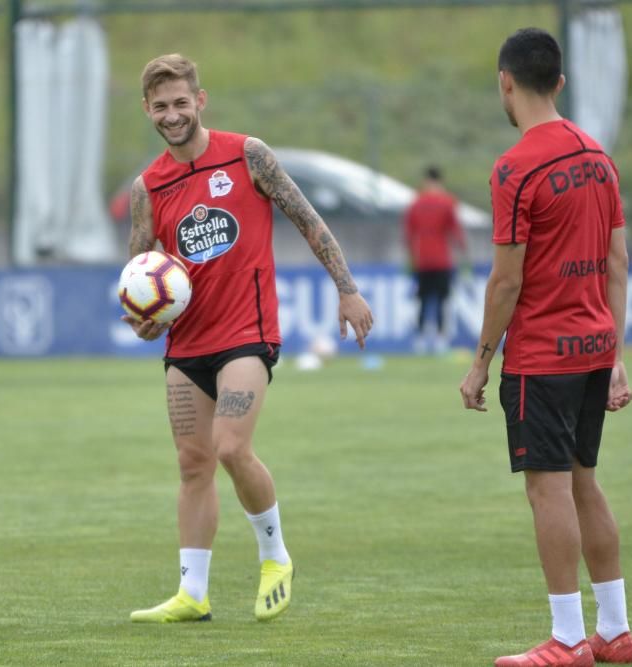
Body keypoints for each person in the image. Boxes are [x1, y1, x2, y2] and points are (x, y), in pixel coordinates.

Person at [124, 54, 373, 623]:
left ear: (200, 100)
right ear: (147, 110)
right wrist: (144, 316)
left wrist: (347, 288)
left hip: (246, 335)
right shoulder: (149, 186)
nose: (172, 115)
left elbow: (309, 219)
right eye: (160, 107)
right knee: (193, 466)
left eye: (181, 103)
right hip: (185, 347)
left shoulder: (246, 154)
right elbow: (140, 269)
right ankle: (192, 593)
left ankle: (275, 556)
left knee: (231, 447)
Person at [459, 28, 632, 666]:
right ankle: (614, 632)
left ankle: (567, 640)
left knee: (549, 490)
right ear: (559, 82)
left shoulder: (515, 168)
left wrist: (481, 361)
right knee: (585, 482)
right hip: (594, 350)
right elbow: (617, 262)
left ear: (505, 81)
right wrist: (615, 353)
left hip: (542, 357)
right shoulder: (598, 155)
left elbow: (507, 279)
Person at [402, 166, 467, 355]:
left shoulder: (415, 203)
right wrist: (464, 255)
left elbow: (408, 235)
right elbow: (456, 231)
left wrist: (410, 260)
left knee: (422, 299)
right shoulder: (447, 202)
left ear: (426, 181)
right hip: (442, 261)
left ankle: (421, 339)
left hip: (422, 261)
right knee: (441, 300)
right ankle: (440, 339)